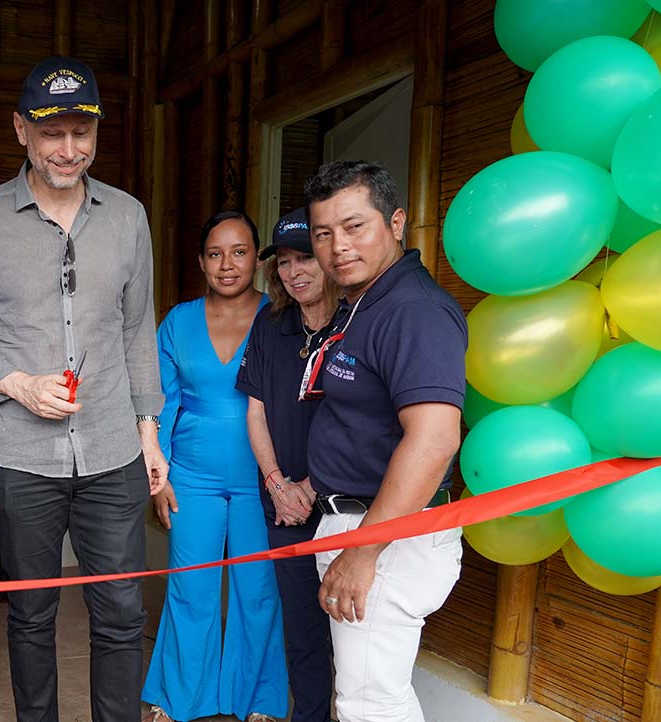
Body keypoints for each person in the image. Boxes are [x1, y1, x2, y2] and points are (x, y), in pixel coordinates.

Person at [0, 55, 167, 722]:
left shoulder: (127, 217)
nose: (67, 149)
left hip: (111, 453)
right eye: (51, 133)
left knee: (121, 612)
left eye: (81, 132)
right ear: (21, 131)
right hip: (20, 458)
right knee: (32, 614)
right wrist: (12, 383)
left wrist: (148, 433)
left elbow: (136, 330)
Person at [304, 161, 467, 722]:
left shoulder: (414, 310)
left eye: (354, 227)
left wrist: (364, 550)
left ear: (396, 223)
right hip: (360, 525)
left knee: (371, 704)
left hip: (387, 536)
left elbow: (435, 439)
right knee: (365, 695)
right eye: (323, 233)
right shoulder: (364, 302)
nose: (337, 247)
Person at [142, 211, 287, 722]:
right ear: (202, 261)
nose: (228, 265)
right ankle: (179, 696)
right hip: (192, 478)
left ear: (256, 259)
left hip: (260, 479)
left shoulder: (279, 317)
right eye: (215, 253)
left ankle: (261, 700)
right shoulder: (177, 321)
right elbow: (161, 403)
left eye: (240, 252)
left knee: (258, 590)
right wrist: (160, 478)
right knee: (190, 586)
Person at [236, 207, 340, 722]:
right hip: (286, 508)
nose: (295, 272)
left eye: (307, 258)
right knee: (301, 631)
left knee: (353, 633)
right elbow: (255, 412)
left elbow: (371, 426)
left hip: (346, 504)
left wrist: (312, 485)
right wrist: (279, 486)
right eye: (284, 262)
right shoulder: (271, 325)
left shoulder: (357, 322)